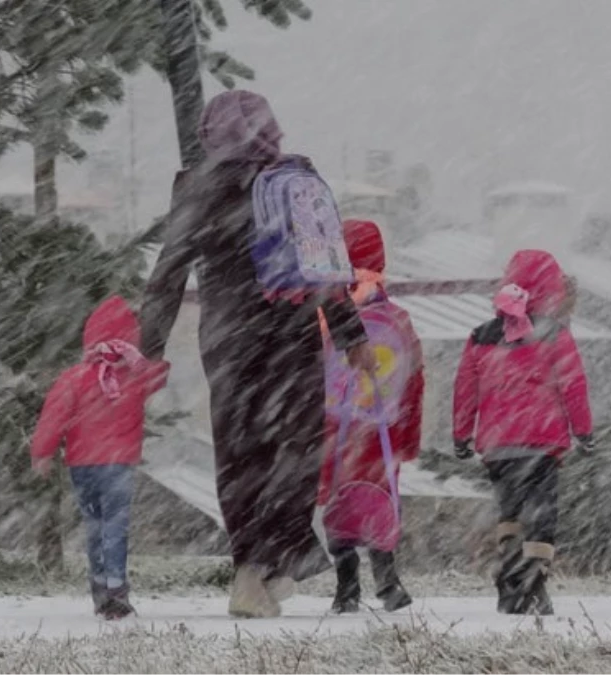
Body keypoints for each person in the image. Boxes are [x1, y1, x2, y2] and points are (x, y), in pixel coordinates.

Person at [140, 90, 376, 618]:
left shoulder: (198, 186)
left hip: (228, 339)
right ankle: (279, 562)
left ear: (210, 133)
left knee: (239, 451)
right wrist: (350, 334)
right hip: (290, 334)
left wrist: (149, 349)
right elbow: (324, 266)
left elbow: (168, 273)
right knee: (293, 450)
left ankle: (250, 569)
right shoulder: (294, 178)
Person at [452, 250, 593, 615]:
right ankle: (535, 581)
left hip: (499, 446)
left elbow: (466, 390)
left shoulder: (481, 336)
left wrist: (461, 433)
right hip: (542, 445)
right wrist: (584, 430)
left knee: (509, 511)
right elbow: (573, 386)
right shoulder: (555, 335)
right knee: (541, 513)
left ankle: (511, 575)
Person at [31, 295, 170, 620]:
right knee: (115, 527)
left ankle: (99, 591)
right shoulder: (135, 376)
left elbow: (54, 416)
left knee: (95, 527)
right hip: (117, 463)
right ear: (130, 338)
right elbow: (161, 375)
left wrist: (43, 453)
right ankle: (116, 590)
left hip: (82, 464)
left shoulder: (74, 377)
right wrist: (143, 354)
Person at [316, 219, 423, 614]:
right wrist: (409, 437)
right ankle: (387, 581)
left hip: (335, 430)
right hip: (384, 434)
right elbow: (414, 381)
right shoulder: (397, 319)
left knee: (340, 503)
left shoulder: (326, 317)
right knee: (381, 502)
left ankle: (346, 588)